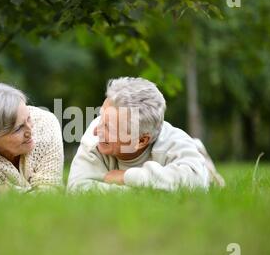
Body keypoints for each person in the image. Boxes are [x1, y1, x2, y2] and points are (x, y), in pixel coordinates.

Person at [67, 77, 225, 192]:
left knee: (206, 176)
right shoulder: (94, 136)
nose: (97, 130)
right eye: (101, 117)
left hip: (190, 159)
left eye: (109, 128)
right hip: (169, 169)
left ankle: (201, 157)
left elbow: (197, 184)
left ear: (141, 140)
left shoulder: (174, 142)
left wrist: (126, 177)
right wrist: (146, 191)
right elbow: (77, 189)